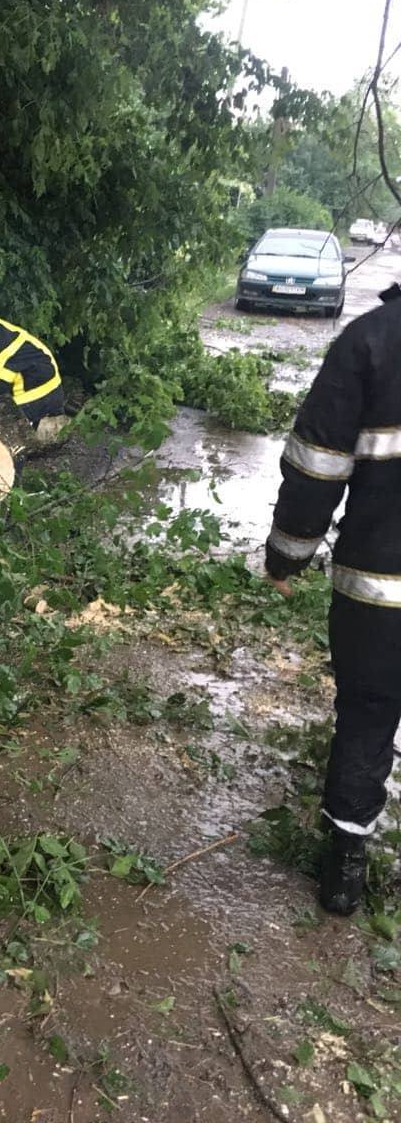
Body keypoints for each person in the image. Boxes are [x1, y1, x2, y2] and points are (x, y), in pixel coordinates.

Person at [264, 279, 401, 915]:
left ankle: (344, 868)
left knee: (369, 716)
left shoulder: (371, 340)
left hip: (380, 593)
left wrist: (287, 554)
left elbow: (318, 464)